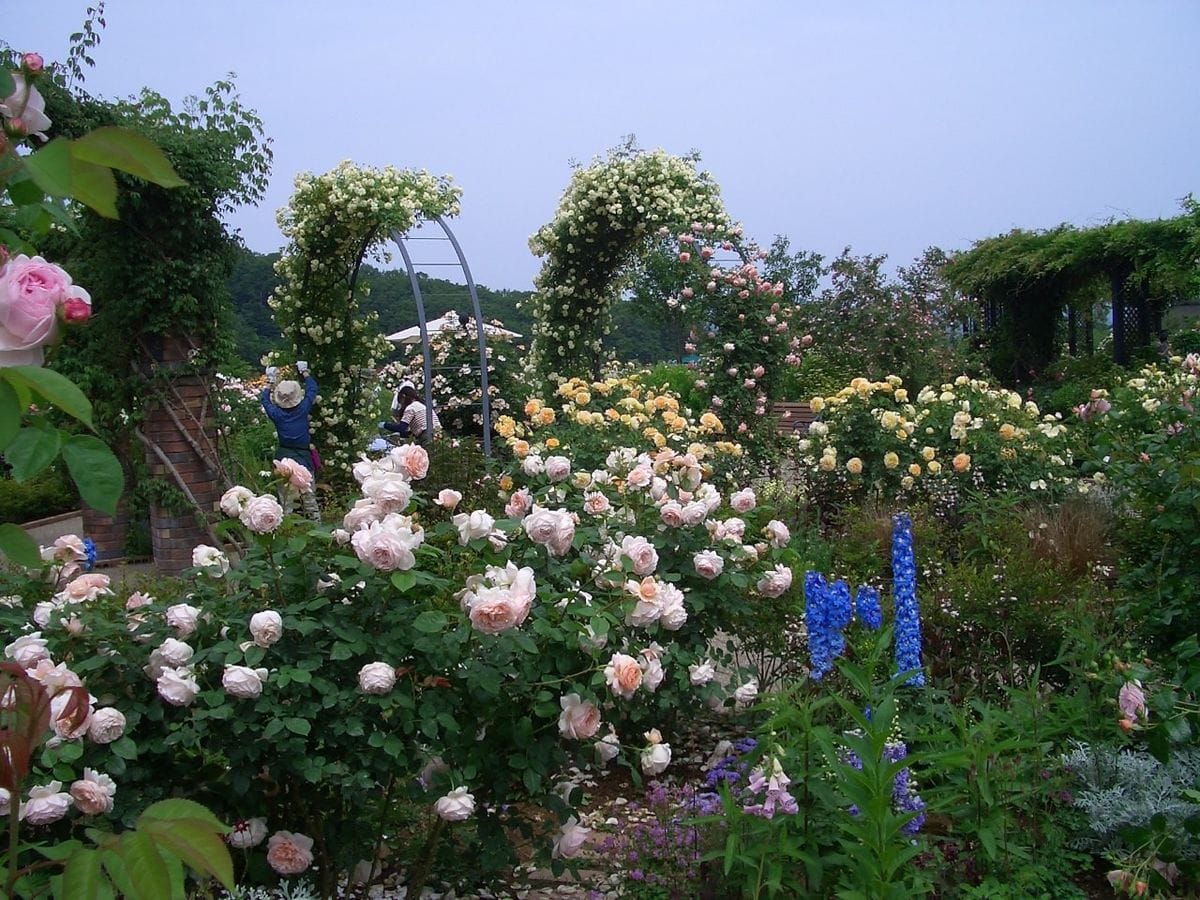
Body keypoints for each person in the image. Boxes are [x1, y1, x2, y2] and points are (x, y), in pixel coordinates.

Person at [262, 361, 320, 520]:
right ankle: (317, 529)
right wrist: (305, 372)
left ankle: (286, 529)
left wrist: (270, 381)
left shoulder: (276, 414)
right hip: (303, 457)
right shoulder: (302, 409)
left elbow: (264, 400)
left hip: (284, 457)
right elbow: (312, 389)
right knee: (309, 499)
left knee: (286, 501)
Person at [387, 380, 441, 444]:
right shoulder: (422, 405)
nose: (402, 406)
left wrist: (385, 425)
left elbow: (401, 428)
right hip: (438, 433)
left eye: (401, 402)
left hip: (426, 435)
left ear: (404, 397)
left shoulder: (410, 408)